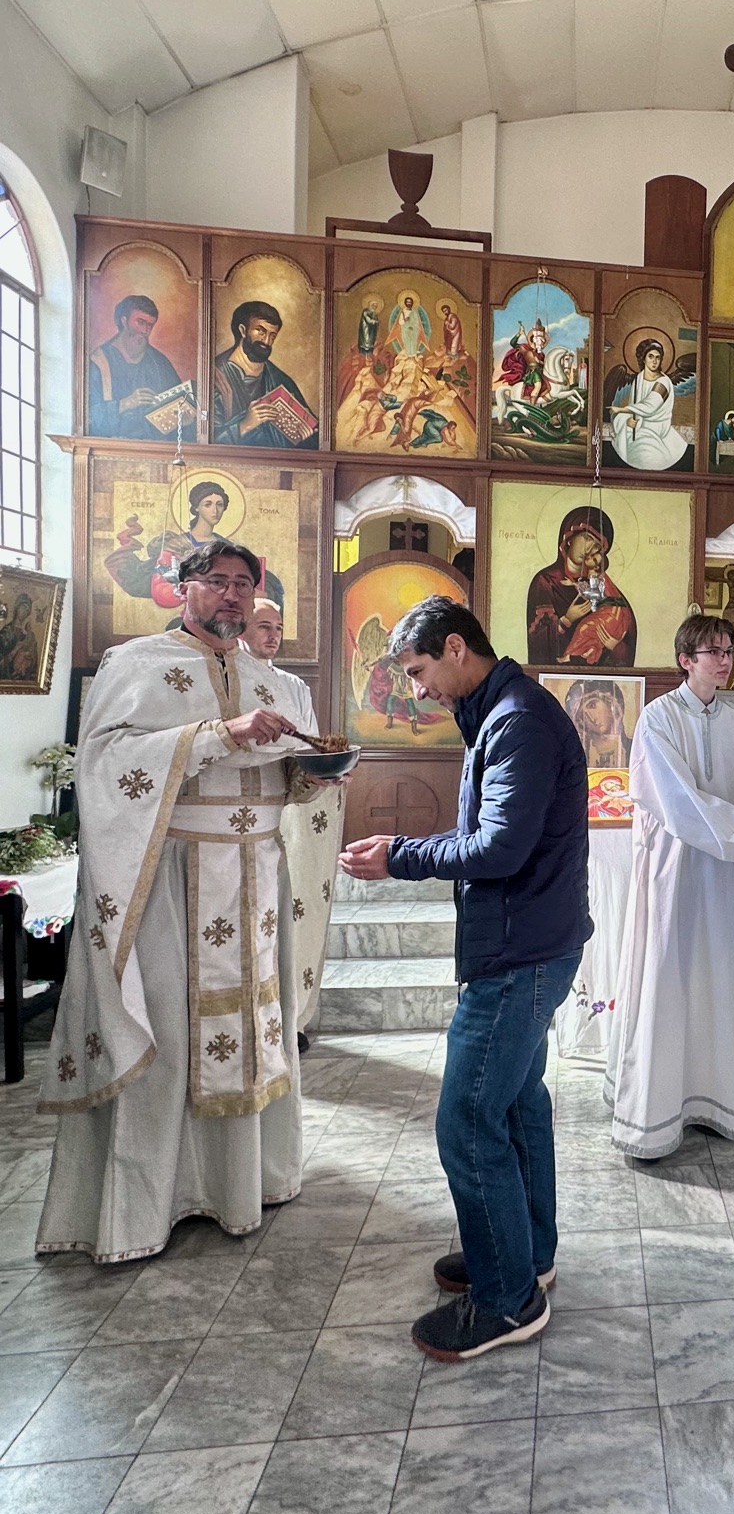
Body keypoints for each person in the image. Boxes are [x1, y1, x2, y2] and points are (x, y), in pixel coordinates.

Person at [36, 540, 326, 1263]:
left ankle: (246, 1182)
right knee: (168, 1032)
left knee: (259, 1030)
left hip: (257, 879)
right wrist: (215, 734)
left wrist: (317, 773)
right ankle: (153, 1203)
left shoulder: (279, 683)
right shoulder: (134, 666)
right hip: (169, 879)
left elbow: (290, 778)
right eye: (217, 582)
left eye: (243, 583)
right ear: (182, 587)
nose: (231, 595)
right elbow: (101, 765)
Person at [339, 596, 591, 1362]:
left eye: (418, 671)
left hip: (519, 954)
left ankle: (508, 1298)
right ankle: (527, 1257)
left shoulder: (515, 719)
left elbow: (501, 848)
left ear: (455, 648)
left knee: (466, 1118)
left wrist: (402, 855)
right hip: (532, 941)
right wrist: (413, 848)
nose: (417, 689)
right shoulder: (501, 709)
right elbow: (491, 832)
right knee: (516, 1101)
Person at [608, 617, 734, 1159]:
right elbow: (678, 803)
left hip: (723, 877)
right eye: (712, 651)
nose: (724, 660)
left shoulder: (733, 724)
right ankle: (654, 1116)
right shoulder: (657, 719)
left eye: (730, 650)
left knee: (717, 977)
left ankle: (715, 1103)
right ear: (685, 659)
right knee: (669, 976)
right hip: (674, 872)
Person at [242, 598, 342, 1054]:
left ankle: (293, 1014)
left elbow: (311, 747)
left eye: (278, 627)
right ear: (240, 626)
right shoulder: (227, 679)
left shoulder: (294, 686)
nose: (274, 635)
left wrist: (325, 769)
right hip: (242, 819)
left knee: (293, 912)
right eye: (264, 625)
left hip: (295, 816)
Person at [526, 505, 636, 666]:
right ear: (569, 538)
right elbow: (537, 642)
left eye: (598, 546)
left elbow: (627, 638)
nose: (591, 548)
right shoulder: (545, 582)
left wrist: (615, 647)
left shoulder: (602, 587)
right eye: (587, 538)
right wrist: (566, 620)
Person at [211, 300, 317, 447]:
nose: (266, 341)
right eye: (261, 332)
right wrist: (245, 425)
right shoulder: (215, 375)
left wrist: (305, 435)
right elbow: (205, 438)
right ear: (243, 330)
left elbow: (313, 437)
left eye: (272, 336)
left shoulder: (279, 380)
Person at [87, 293, 184, 440]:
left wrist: (184, 419)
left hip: (157, 450)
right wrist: (125, 404)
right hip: (112, 450)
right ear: (124, 321)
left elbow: (179, 403)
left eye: (150, 325)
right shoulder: (99, 362)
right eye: (141, 322)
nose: (145, 331)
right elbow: (87, 418)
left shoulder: (159, 363)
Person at [609, 338, 685, 470]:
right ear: (643, 359)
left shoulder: (663, 382)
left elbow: (650, 406)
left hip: (656, 428)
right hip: (638, 427)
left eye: (658, 357)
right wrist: (628, 421)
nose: (655, 361)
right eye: (651, 356)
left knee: (645, 456)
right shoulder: (639, 378)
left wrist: (621, 410)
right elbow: (635, 406)